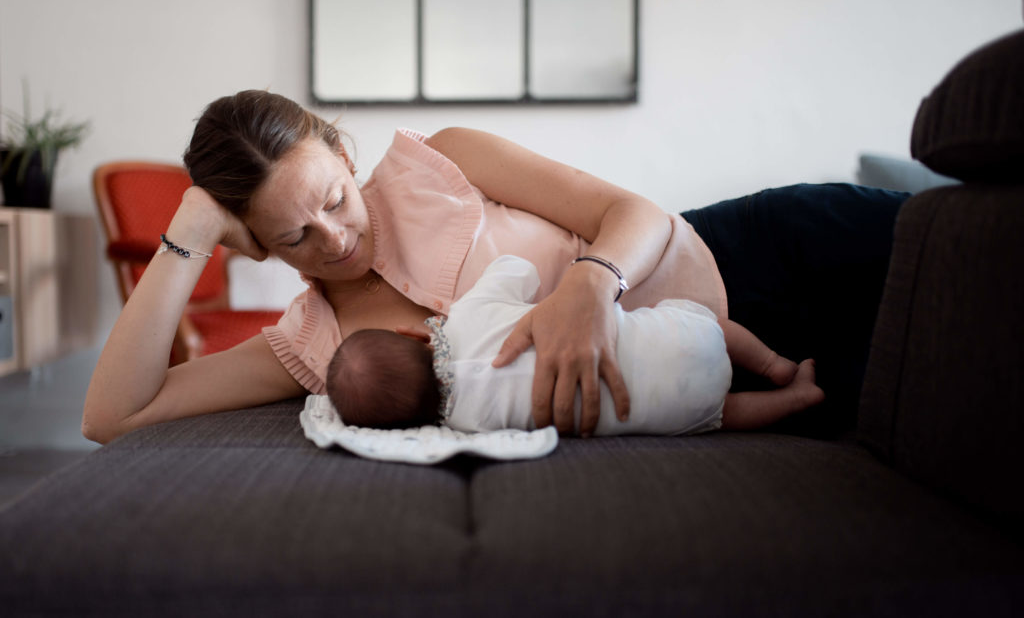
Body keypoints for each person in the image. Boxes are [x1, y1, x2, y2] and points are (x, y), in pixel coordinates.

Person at [82, 89, 906, 444]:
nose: (333, 239)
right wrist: (191, 227)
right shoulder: (310, 344)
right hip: (719, 391)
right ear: (256, 244)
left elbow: (638, 215)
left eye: (334, 197)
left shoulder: (445, 160)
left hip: (761, 254)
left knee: (959, 242)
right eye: (294, 235)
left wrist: (590, 284)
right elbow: (112, 415)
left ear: (342, 150)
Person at [327, 255, 823, 435]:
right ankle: (775, 366)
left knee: (725, 415)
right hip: (683, 340)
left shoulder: (469, 425)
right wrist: (457, 306)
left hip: (677, 410)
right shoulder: (466, 316)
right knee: (710, 323)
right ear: (411, 333)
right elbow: (519, 268)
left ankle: (795, 399)